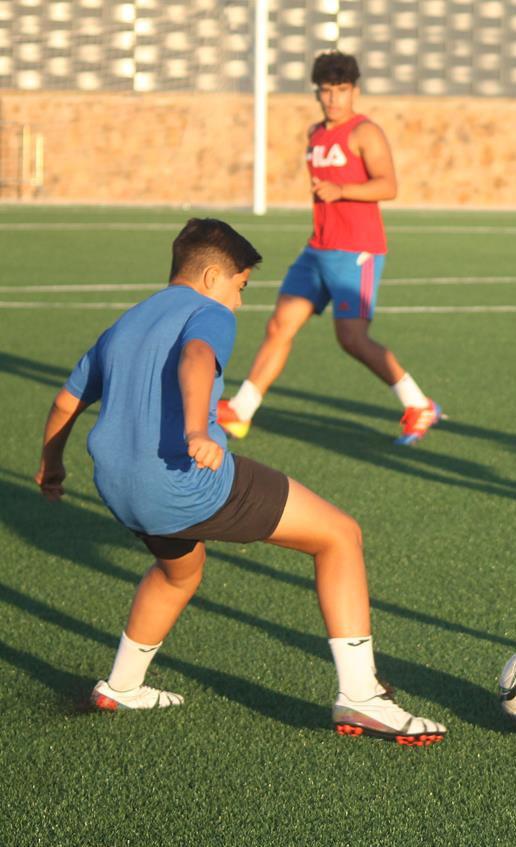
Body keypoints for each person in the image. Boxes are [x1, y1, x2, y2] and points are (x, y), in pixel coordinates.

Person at [36, 218, 446, 745]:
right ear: (211, 276)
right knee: (339, 535)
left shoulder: (126, 322)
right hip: (186, 481)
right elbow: (197, 356)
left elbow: (67, 400)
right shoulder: (208, 312)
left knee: (178, 572)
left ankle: (122, 685)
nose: (239, 302)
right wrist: (193, 430)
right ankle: (362, 697)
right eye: (241, 287)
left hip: (117, 488)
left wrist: (52, 463)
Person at [218, 50, 442, 446]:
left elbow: (388, 185)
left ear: (354, 90)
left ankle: (418, 403)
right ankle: (241, 410)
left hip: (358, 251)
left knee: (352, 339)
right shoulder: (314, 134)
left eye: (341, 90)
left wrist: (343, 191)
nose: (333, 99)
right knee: (279, 326)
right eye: (325, 91)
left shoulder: (365, 132)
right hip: (317, 248)